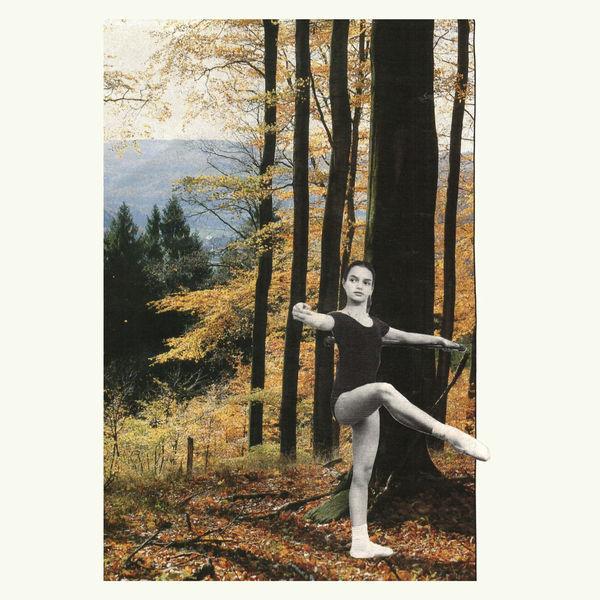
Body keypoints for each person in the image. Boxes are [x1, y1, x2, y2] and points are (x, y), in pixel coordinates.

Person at [292, 260, 490, 560]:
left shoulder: (377, 327)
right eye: (354, 280)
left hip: (368, 406)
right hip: (344, 401)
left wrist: (440, 341)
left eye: (366, 282)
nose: (359, 286)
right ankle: (448, 434)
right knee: (384, 390)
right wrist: (301, 311)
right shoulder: (337, 320)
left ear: (372, 289)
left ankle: (360, 542)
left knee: (363, 474)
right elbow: (316, 320)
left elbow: (407, 337)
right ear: (344, 284)